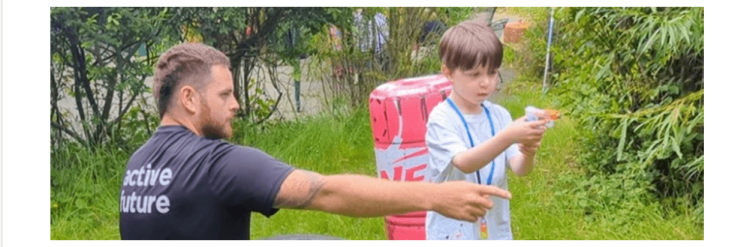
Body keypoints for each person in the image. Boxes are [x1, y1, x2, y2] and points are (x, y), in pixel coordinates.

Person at [118, 43, 511, 240]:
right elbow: (323, 192)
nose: (236, 105)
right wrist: (434, 197)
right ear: (189, 98)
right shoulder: (216, 164)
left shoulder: (138, 162)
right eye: (224, 95)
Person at [424, 20, 550, 240]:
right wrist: (509, 135)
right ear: (449, 72)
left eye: (492, 73)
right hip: (452, 232)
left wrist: (528, 150)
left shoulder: (500, 116)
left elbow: (520, 169)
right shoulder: (441, 119)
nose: (485, 83)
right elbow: (465, 161)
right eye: (474, 74)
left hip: (495, 230)